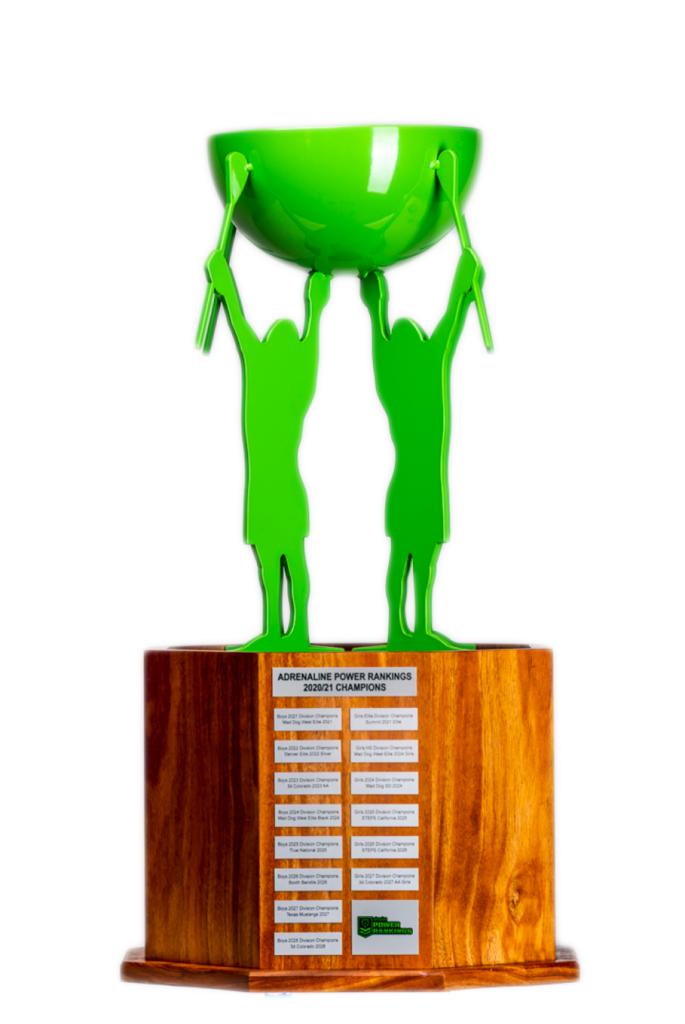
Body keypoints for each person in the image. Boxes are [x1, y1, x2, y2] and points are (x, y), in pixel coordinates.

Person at [204, 234, 333, 653]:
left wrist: (223, 278)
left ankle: (292, 633)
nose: (274, 329)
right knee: (273, 562)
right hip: (270, 491)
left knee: (289, 560)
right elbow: (302, 335)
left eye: (279, 331)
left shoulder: (272, 371)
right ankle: (277, 631)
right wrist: (314, 305)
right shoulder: (292, 374)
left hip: (273, 489)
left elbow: (240, 321)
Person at [359, 247, 484, 651]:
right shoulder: (430, 366)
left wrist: (377, 304)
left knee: (407, 559)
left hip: (411, 486)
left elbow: (381, 336)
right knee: (417, 561)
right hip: (426, 486)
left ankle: (409, 628)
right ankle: (410, 628)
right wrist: (464, 283)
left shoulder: (392, 378)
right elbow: (450, 323)